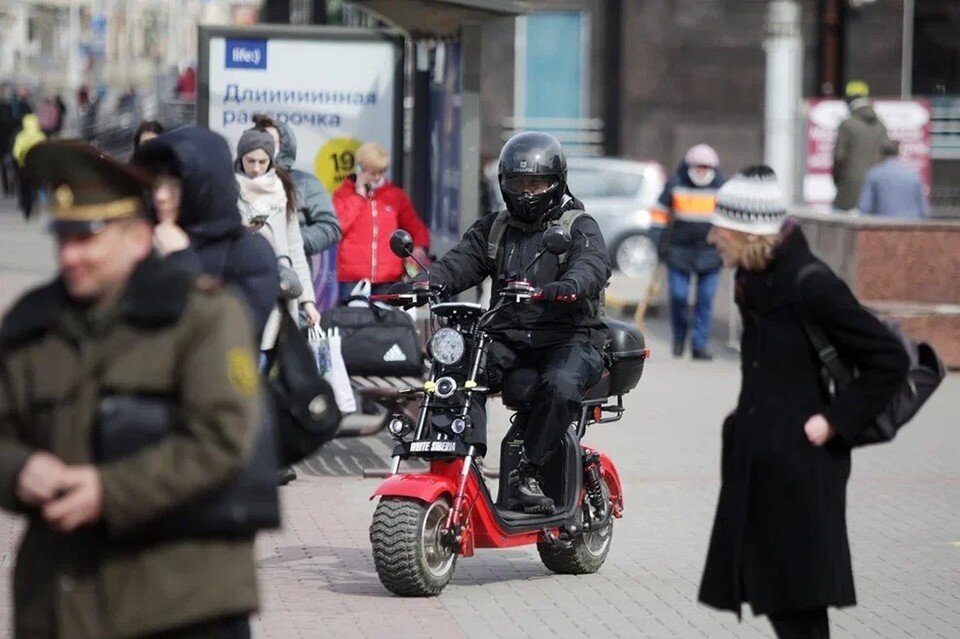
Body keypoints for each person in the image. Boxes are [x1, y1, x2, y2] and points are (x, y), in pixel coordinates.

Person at [0, 139, 264, 638]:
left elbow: (225, 439)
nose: (70, 255)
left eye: (88, 238)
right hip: (60, 604)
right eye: (63, 237)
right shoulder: (32, 324)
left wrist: (108, 491)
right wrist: (19, 470)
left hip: (180, 604)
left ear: (139, 239)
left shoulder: (202, 317)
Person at [698, 165, 909, 638]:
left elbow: (889, 359)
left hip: (804, 466)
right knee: (775, 593)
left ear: (747, 231)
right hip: (760, 460)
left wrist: (833, 421)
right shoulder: (753, 280)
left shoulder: (809, 283)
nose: (711, 238)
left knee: (799, 601)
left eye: (719, 228)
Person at [391, 131, 610, 514]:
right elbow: (460, 262)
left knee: (560, 385)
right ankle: (462, 455)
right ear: (504, 183)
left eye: (535, 184)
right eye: (518, 183)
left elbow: (593, 265)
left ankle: (529, 472)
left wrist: (570, 286)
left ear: (556, 182)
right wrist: (423, 284)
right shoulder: (495, 228)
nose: (526, 192)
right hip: (507, 337)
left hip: (570, 338)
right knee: (456, 367)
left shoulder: (579, 226)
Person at [132, 126, 279, 337]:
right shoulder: (146, 241)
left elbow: (231, 334)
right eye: (156, 185)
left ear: (204, 186)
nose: (160, 197)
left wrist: (180, 259)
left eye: (174, 185)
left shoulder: (249, 252)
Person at [234, 127, 320, 339]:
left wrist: (308, 302)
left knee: (274, 348)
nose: (256, 168)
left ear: (271, 161)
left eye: (262, 162)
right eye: (250, 161)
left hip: (282, 289)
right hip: (242, 290)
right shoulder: (229, 189)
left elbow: (295, 248)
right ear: (240, 157)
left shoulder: (282, 191)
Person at [650, 144, 725, 360]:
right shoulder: (675, 184)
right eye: (698, 166)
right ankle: (679, 336)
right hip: (679, 252)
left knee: (705, 299)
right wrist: (658, 243)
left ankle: (700, 345)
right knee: (678, 297)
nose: (702, 170)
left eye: (706, 167)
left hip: (710, 253)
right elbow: (659, 215)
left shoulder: (721, 188)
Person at [333, 141, 430, 300]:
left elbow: (415, 225)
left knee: (387, 316)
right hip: (352, 278)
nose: (377, 177)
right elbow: (339, 226)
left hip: (388, 278)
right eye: (372, 173)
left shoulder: (396, 196)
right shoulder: (343, 194)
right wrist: (358, 196)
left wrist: (419, 246)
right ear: (360, 170)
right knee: (352, 316)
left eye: (381, 172)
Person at [252, 115, 342, 260]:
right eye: (258, 141)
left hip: (291, 269)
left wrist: (288, 241)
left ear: (284, 145)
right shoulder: (235, 182)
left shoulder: (305, 183)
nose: (264, 147)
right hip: (244, 270)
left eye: (270, 142)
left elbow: (331, 228)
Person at [833, 85, 889, 211]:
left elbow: (839, 156)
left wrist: (836, 179)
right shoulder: (880, 126)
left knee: (842, 217)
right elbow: (886, 152)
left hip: (850, 186)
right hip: (876, 185)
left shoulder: (847, 124)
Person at [858, 139, 928, 219]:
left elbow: (865, 207)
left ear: (881, 154)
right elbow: (923, 209)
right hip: (911, 224)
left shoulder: (874, 174)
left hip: (884, 224)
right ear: (898, 153)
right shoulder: (914, 175)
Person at [11, 114, 46, 220]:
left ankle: (26, 209)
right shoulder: (41, 136)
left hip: (23, 166)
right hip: (36, 166)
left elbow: (16, 151)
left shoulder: (21, 136)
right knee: (35, 186)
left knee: (24, 188)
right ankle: (36, 202)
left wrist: (19, 160)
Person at [0, 87, 15, 196]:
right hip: (8, 144)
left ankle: (7, 188)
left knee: (4, 168)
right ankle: (10, 188)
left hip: (3, 143)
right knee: (9, 166)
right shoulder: (9, 109)